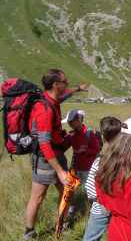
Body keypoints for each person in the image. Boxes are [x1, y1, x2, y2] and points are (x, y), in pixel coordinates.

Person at [23, 69, 88, 240]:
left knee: (68, 189)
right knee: (38, 196)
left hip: (56, 154)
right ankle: (29, 233)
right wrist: (59, 171)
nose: (67, 83)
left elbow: (64, 95)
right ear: (55, 84)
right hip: (45, 159)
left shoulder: (52, 99)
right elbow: (44, 144)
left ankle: (60, 225)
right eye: (64, 82)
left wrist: (77, 89)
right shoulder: (44, 110)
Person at [83, 117, 125, 241]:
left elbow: (90, 191)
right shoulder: (127, 161)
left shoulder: (99, 162)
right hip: (121, 209)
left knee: (90, 238)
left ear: (103, 137)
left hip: (100, 208)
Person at [62, 109, 100, 183]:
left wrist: (84, 150)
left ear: (79, 121)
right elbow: (63, 148)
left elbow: (96, 151)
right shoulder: (71, 134)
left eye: (70, 122)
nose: (69, 124)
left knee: (90, 188)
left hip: (89, 169)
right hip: (76, 168)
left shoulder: (90, 134)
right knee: (75, 188)